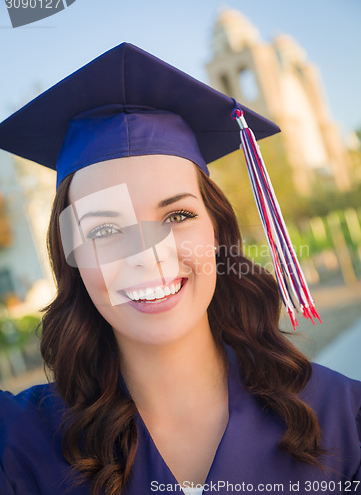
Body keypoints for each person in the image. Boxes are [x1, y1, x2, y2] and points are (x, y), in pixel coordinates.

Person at [0, 43, 360, 495]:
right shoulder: (19, 446)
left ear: (218, 232)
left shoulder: (344, 418)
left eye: (177, 216)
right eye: (104, 229)